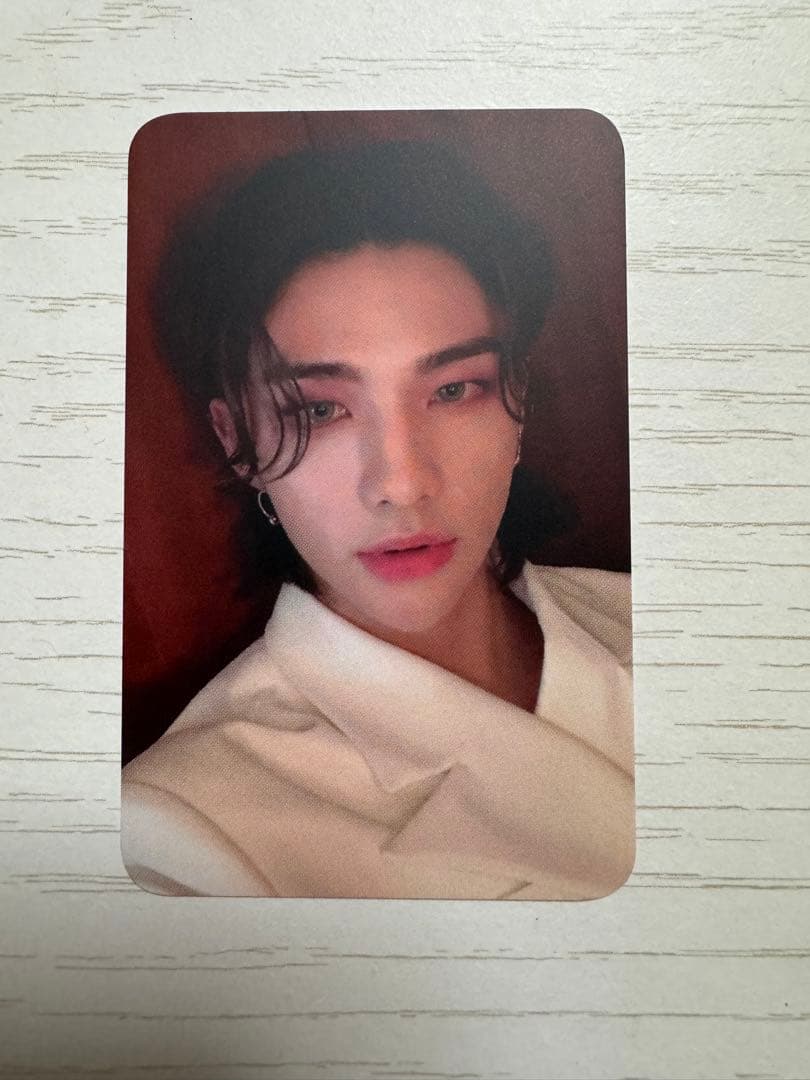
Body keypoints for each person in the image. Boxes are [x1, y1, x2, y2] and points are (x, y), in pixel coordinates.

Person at [121, 139, 634, 899]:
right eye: (319, 411)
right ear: (237, 442)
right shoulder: (183, 835)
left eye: (454, 390)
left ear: (517, 402)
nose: (401, 483)